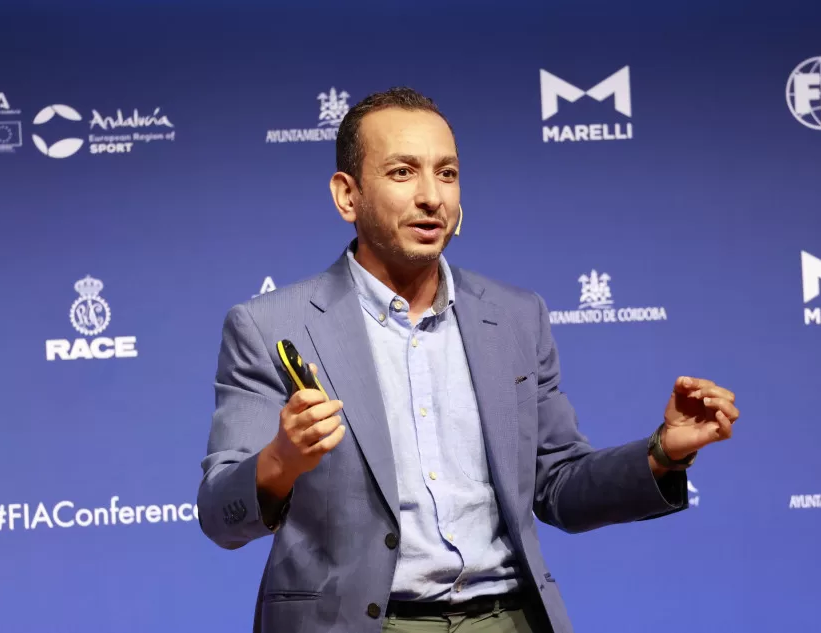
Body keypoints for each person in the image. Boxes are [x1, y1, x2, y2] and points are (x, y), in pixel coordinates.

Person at [197, 87, 741, 633]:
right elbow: (220, 514)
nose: (432, 196)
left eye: (448, 173)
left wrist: (662, 455)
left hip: (508, 617)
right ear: (347, 196)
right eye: (403, 173)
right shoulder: (270, 326)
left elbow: (559, 486)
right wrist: (281, 461)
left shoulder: (515, 316)